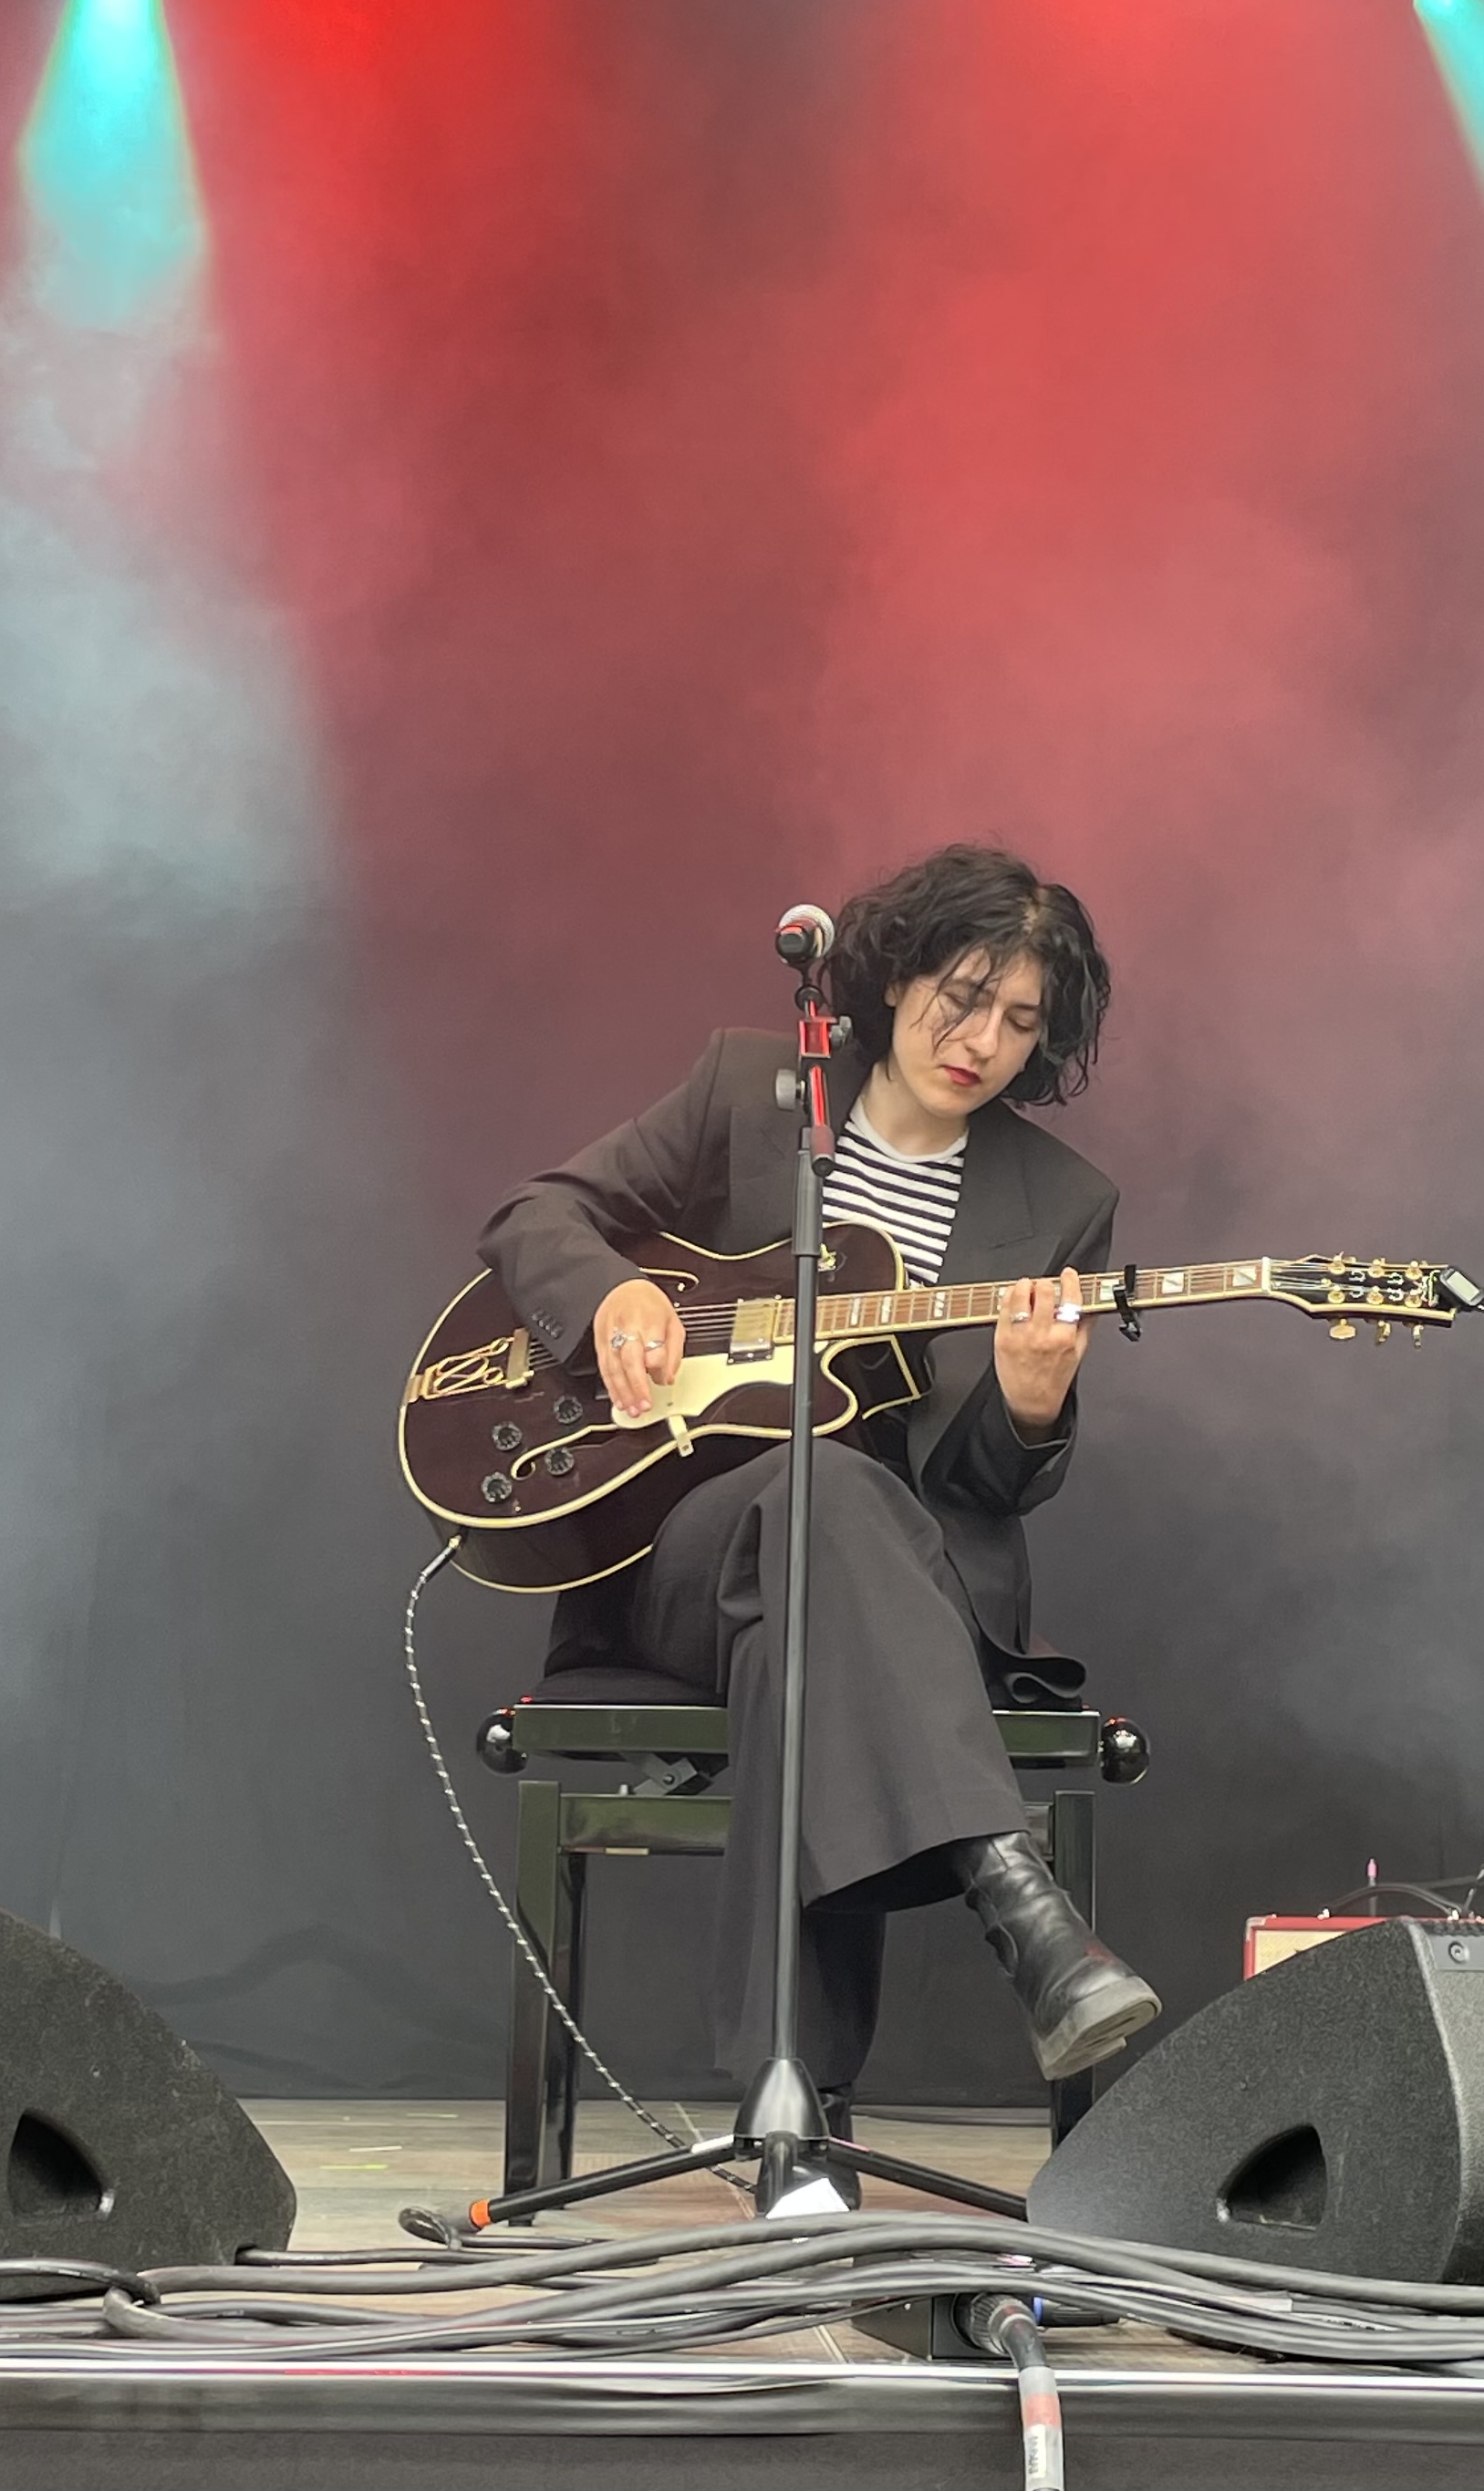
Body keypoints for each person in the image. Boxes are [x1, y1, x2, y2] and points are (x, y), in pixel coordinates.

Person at [477, 842, 1161, 2102]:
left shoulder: (1062, 1200)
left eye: (1019, 1022)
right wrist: (616, 1292)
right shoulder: (754, 1090)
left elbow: (985, 1489)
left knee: (813, 1558)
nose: (983, 1040)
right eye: (963, 996)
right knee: (814, 1500)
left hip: (897, 1584)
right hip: (678, 1555)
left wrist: (1028, 1405)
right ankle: (1023, 1911)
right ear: (897, 976)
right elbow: (535, 1215)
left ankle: (786, 2106)